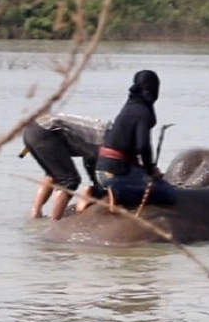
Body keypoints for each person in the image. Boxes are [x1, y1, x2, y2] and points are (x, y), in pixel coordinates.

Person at [94, 69, 177, 208]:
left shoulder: (130, 105)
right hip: (117, 172)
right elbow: (143, 146)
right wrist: (150, 169)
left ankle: (95, 192)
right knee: (168, 192)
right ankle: (117, 193)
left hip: (102, 169)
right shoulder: (143, 112)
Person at [21, 113, 111, 220]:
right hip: (46, 132)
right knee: (69, 181)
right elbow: (100, 167)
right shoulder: (111, 142)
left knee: (53, 174)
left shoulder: (107, 135)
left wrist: (95, 181)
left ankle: (35, 213)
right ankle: (55, 221)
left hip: (32, 130)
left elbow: (90, 160)